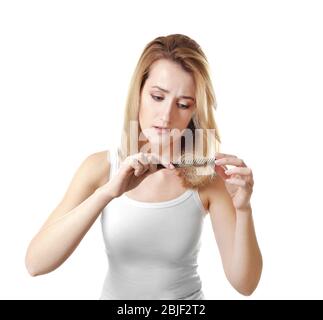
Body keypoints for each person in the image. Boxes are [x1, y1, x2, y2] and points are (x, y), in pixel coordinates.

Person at [25, 34, 262, 299]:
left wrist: (244, 208)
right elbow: (35, 263)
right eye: (158, 97)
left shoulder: (207, 177)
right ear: (139, 92)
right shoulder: (100, 168)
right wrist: (107, 193)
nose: (166, 116)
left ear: (194, 111)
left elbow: (245, 284)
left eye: (183, 104)